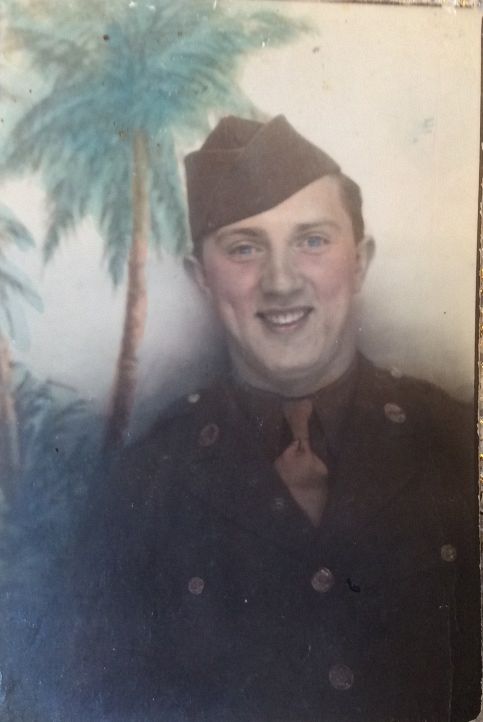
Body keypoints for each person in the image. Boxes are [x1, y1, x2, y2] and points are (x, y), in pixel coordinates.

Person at [72, 115, 481, 722]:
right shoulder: (140, 487)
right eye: (244, 248)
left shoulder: (459, 444)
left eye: (312, 241)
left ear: (360, 261)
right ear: (200, 278)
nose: (282, 282)